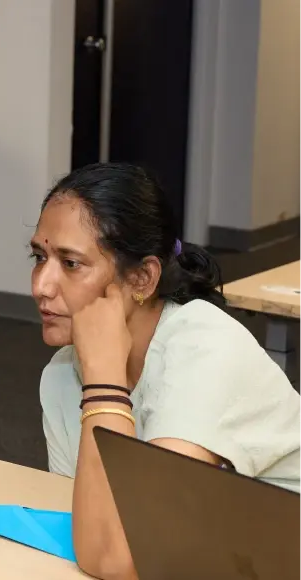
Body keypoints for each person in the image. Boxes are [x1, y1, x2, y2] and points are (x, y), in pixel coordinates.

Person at [31, 162, 301, 579]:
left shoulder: (205, 348)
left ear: (142, 278)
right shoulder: (62, 374)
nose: (41, 286)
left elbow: (124, 558)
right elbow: (90, 526)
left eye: (70, 263)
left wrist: (104, 382)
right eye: (39, 257)